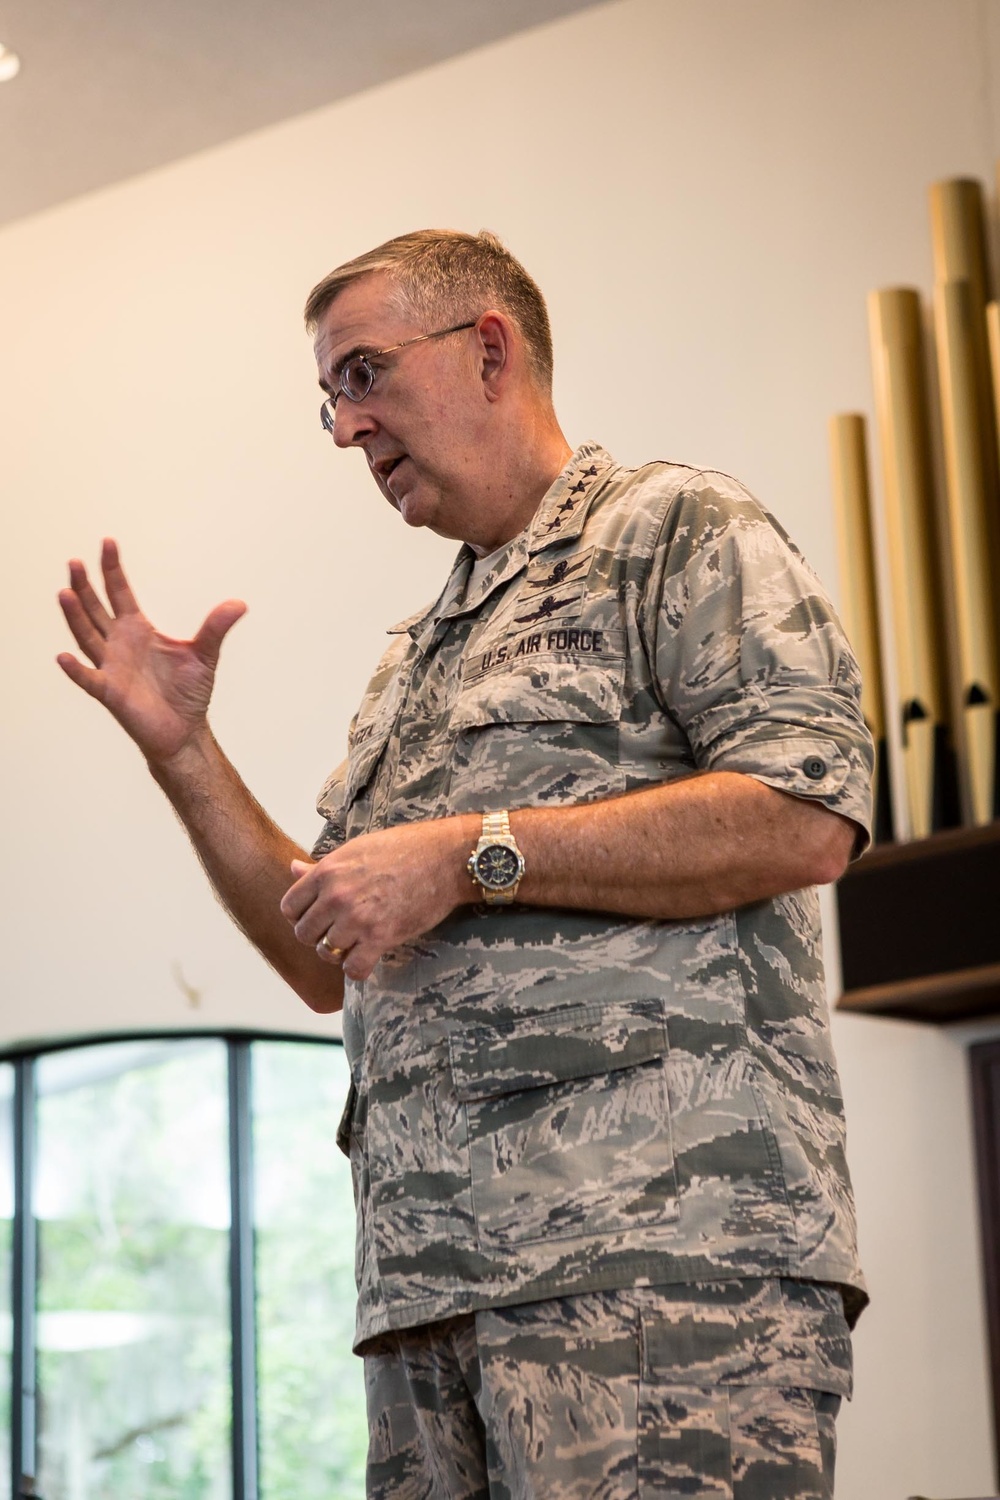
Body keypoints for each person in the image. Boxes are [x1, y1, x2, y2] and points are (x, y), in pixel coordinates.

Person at [58, 229, 873, 1500]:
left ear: (489, 346)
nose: (343, 429)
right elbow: (325, 959)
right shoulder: (419, 655)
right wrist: (184, 751)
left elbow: (802, 812)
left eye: (365, 374)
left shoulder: (670, 529)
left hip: (655, 1271)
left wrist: (472, 853)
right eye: (329, 396)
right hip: (430, 1303)